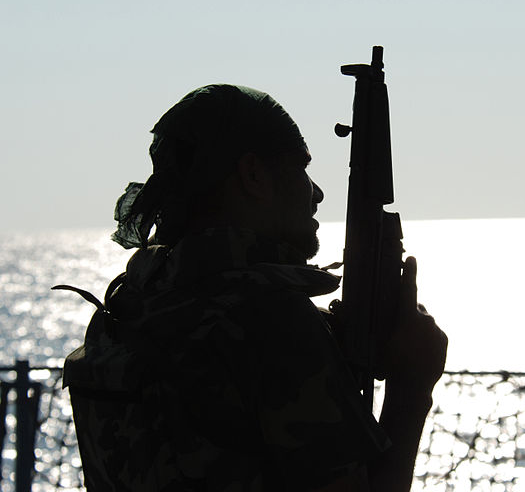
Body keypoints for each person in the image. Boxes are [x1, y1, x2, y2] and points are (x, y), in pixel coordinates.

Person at [62, 84, 448, 491]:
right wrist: (412, 385)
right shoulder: (272, 321)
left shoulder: (126, 306)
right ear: (253, 175)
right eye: (301, 168)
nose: (316, 192)